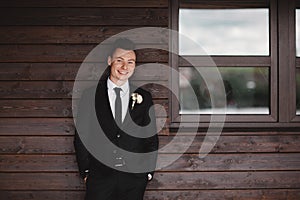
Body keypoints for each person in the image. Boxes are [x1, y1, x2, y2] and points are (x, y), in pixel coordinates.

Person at [74, 38, 159, 200]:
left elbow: (150, 136)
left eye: (130, 62)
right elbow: (82, 135)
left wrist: (147, 172)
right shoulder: (90, 96)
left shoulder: (144, 97)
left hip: (134, 178)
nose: (124, 67)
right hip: (100, 176)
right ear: (109, 61)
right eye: (119, 60)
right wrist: (86, 172)